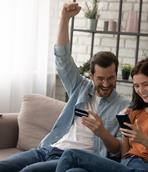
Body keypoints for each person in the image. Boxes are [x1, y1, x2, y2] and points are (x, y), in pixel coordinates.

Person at [0, 3, 129, 172]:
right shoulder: (80, 86)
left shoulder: (124, 106)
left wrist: (102, 132)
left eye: (111, 78)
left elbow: (118, 150)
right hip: (50, 148)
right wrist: (64, 18)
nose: (106, 84)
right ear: (91, 76)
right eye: (101, 79)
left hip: (79, 159)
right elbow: (62, 58)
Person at [55, 58, 148, 172]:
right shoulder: (136, 111)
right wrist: (125, 127)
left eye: (146, 84)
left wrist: (143, 139)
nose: (141, 91)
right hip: (126, 165)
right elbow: (124, 155)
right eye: (136, 86)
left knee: (71, 155)